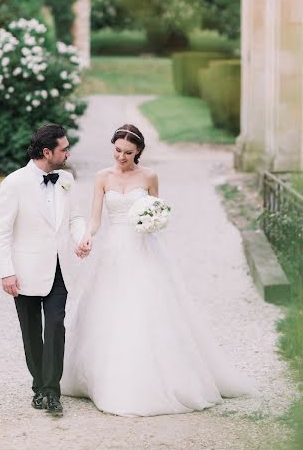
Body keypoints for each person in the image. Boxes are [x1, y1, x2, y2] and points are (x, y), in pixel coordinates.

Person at [61, 124, 256, 417]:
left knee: (148, 309)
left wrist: (152, 224)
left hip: (144, 249)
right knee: (108, 311)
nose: (121, 157)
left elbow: (158, 212)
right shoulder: (102, 177)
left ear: (138, 151)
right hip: (114, 251)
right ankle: (104, 377)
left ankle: (151, 380)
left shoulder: (149, 176)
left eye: (128, 152)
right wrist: (87, 237)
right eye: (117, 150)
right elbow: (96, 219)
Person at [0, 123, 88, 415]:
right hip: (25, 270)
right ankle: (39, 387)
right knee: (32, 332)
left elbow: (75, 217)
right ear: (47, 152)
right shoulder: (14, 183)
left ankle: (52, 391)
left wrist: (81, 237)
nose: (68, 152)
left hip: (58, 269)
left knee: (56, 327)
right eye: (64, 148)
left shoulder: (66, 179)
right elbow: (1, 231)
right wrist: (6, 271)